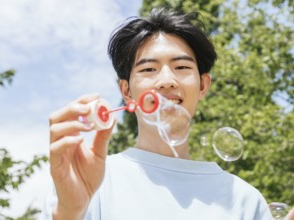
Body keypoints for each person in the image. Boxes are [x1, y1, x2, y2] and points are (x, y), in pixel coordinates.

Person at [44, 8, 274, 219]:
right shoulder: (89, 183)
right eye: (148, 69)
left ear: (203, 85)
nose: (166, 81)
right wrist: (70, 212)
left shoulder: (244, 200)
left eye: (181, 67)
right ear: (127, 91)